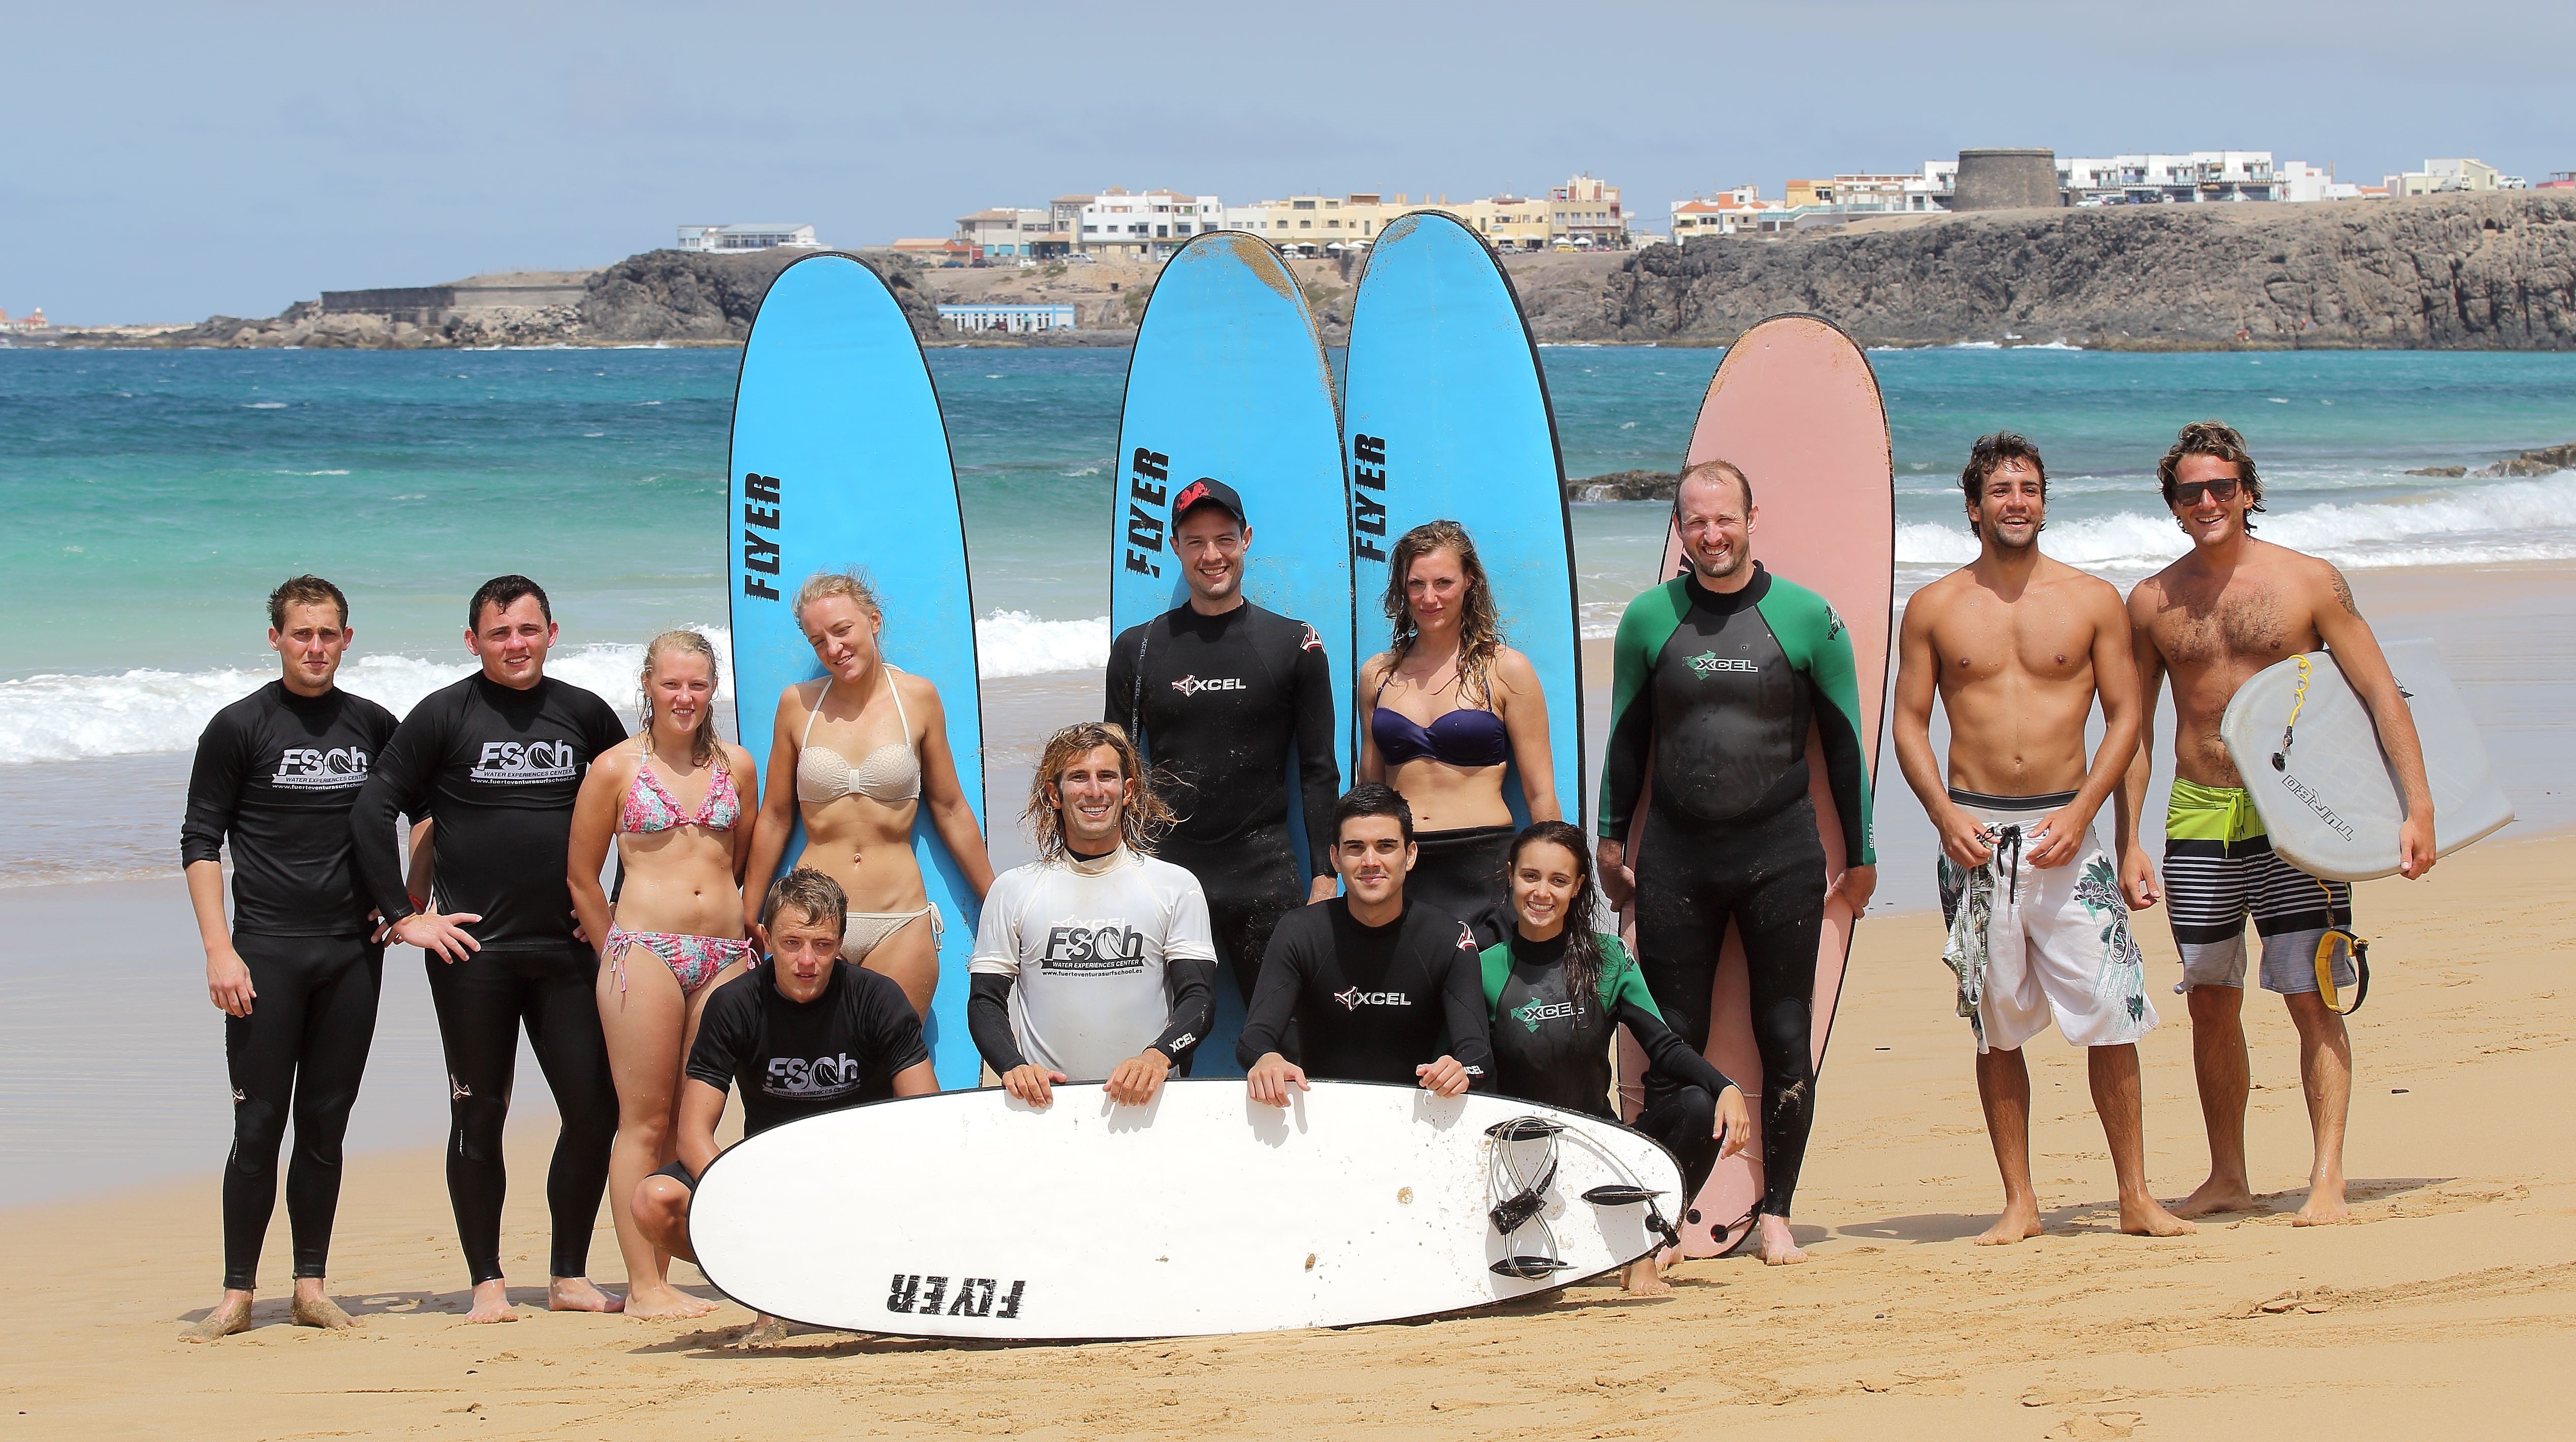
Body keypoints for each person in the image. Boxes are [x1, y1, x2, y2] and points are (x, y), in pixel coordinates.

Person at [2116, 421, 2436, 1227]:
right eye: (2190, 490)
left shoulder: (2307, 583)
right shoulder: (2151, 601)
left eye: (2222, 485)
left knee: (2310, 990)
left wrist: (2417, 805)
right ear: (2172, 504)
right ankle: (2228, 1174)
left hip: (2298, 810)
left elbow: (2379, 693)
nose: (2208, 500)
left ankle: (2325, 1176)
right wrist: (2126, 839)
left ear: (2248, 492)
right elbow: (2134, 732)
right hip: (2197, 812)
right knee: (2209, 998)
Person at [1892, 433, 2191, 1245]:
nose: (2015, 501)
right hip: (1976, 838)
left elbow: (2127, 716)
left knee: (2112, 1013)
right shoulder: (1933, 606)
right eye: (1999, 490)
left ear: (2043, 502)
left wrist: (2087, 811)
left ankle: (2134, 1195)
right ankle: (2019, 1201)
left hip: (2070, 833)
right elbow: (1909, 725)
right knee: (1994, 1025)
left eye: (2027, 488)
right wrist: (1942, 815)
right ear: (1972, 506)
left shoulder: (2091, 599)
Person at [1596, 458, 1877, 1266]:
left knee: (1783, 1031)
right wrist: (1611, 839)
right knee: (1669, 1040)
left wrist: (1859, 856)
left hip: (1779, 854)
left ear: (1753, 517)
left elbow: (1845, 741)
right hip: (1676, 857)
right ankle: (1668, 1214)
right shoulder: (1650, 618)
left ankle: (1778, 1209)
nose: (1711, 535)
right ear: (1678, 529)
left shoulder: (1805, 616)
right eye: (1695, 522)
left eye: (1724, 519)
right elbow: (1625, 736)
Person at [350, 575, 630, 1322]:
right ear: (474, 641)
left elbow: (643, 800)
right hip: (474, 954)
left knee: (595, 1108)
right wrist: (403, 916)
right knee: (480, 1113)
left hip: (568, 952)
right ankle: (488, 1282)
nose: (516, 644)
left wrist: (618, 906)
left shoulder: (584, 713)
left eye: (529, 629)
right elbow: (372, 803)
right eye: (500, 633)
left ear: (552, 631)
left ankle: (568, 1274)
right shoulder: (445, 714)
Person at [178, 576, 399, 1340]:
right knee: (258, 1125)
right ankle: (238, 1293)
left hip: (351, 955)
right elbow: (200, 841)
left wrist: (401, 902)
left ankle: (310, 1285)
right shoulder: (238, 727)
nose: (315, 647)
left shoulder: (373, 724)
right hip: (263, 954)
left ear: (346, 637)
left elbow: (435, 807)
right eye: (301, 633)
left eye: (328, 633)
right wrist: (219, 950)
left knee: (326, 1124)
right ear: (275, 638)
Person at [631, 869, 936, 1345]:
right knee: (654, 1203)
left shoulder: (876, 998)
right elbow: (693, 1134)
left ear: (841, 942)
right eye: (792, 943)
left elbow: (923, 1119)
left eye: (823, 944)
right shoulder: (734, 1005)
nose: (807, 961)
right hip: (767, 1173)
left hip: (862, 1175)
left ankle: (860, 1279)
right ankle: (769, 1285)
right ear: (767, 937)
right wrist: (746, 1196)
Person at [567, 630, 760, 1320]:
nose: (685, 697)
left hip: (724, 957)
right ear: (648, 683)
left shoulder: (737, 765)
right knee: (643, 1123)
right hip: (643, 950)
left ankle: (686, 1252)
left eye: (698, 685)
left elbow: (742, 857)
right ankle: (644, 1285)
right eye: (672, 683)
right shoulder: (615, 768)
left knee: (694, 1122)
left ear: (714, 690)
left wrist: (747, 924)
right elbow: (582, 876)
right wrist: (610, 949)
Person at [1479, 822, 1751, 1296]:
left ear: (1579, 886)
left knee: (1697, 1106)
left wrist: (1724, 1086)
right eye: (1530, 877)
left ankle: (1643, 1245)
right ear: (1511, 877)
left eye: (1558, 881)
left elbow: (1664, 1046)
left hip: (1601, 1146)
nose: (1542, 892)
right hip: (1515, 1155)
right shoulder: (1483, 967)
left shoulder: (1607, 958)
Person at [1105, 477, 1339, 1006]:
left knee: (1283, 1044)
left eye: (1224, 539)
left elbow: (1320, 770)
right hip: (1166, 876)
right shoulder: (1138, 649)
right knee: (1160, 1043)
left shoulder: (1296, 644)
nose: (1212, 555)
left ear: (1246, 539)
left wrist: (1325, 877)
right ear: (1175, 549)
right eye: (1195, 542)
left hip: (1265, 875)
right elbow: (1114, 769)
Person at [744, 569, 994, 1017]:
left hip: (898, 919)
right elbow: (777, 815)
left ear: (873, 621)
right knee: (821, 1072)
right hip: (811, 921)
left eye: (843, 631)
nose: (834, 649)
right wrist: (751, 907)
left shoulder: (918, 698)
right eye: (818, 641)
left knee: (897, 1069)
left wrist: (993, 898)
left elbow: (950, 807)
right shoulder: (796, 704)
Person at [967, 722, 1217, 1107]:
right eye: (1078, 778)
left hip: (1150, 1100)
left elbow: (1198, 998)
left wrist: (1158, 1057)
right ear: (1054, 793)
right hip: (1048, 1104)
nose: (1095, 791)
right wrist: (1013, 1066)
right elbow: (985, 1001)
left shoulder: (1175, 886)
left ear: (1128, 790)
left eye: (1107, 777)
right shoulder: (1014, 890)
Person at [1358, 520, 1558, 949]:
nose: (1429, 598)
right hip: (1403, 864)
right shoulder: (1378, 675)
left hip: (1483, 864)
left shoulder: (1506, 670)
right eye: (1417, 585)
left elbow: (1541, 796)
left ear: (1470, 581)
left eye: (1444, 583)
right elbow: (1369, 792)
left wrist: (1554, 887)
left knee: (1481, 1008)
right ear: (1402, 588)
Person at [1238, 784, 1493, 1102]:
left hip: (1416, 1122)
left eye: (1386, 846)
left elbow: (1479, 1056)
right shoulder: (1300, 931)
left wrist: (1458, 1071)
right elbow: (1254, 1038)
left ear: (1410, 855)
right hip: (1320, 1119)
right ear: (1335, 857)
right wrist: (1266, 1059)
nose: (1370, 862)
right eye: (1356, 847)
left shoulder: (1449, 939)